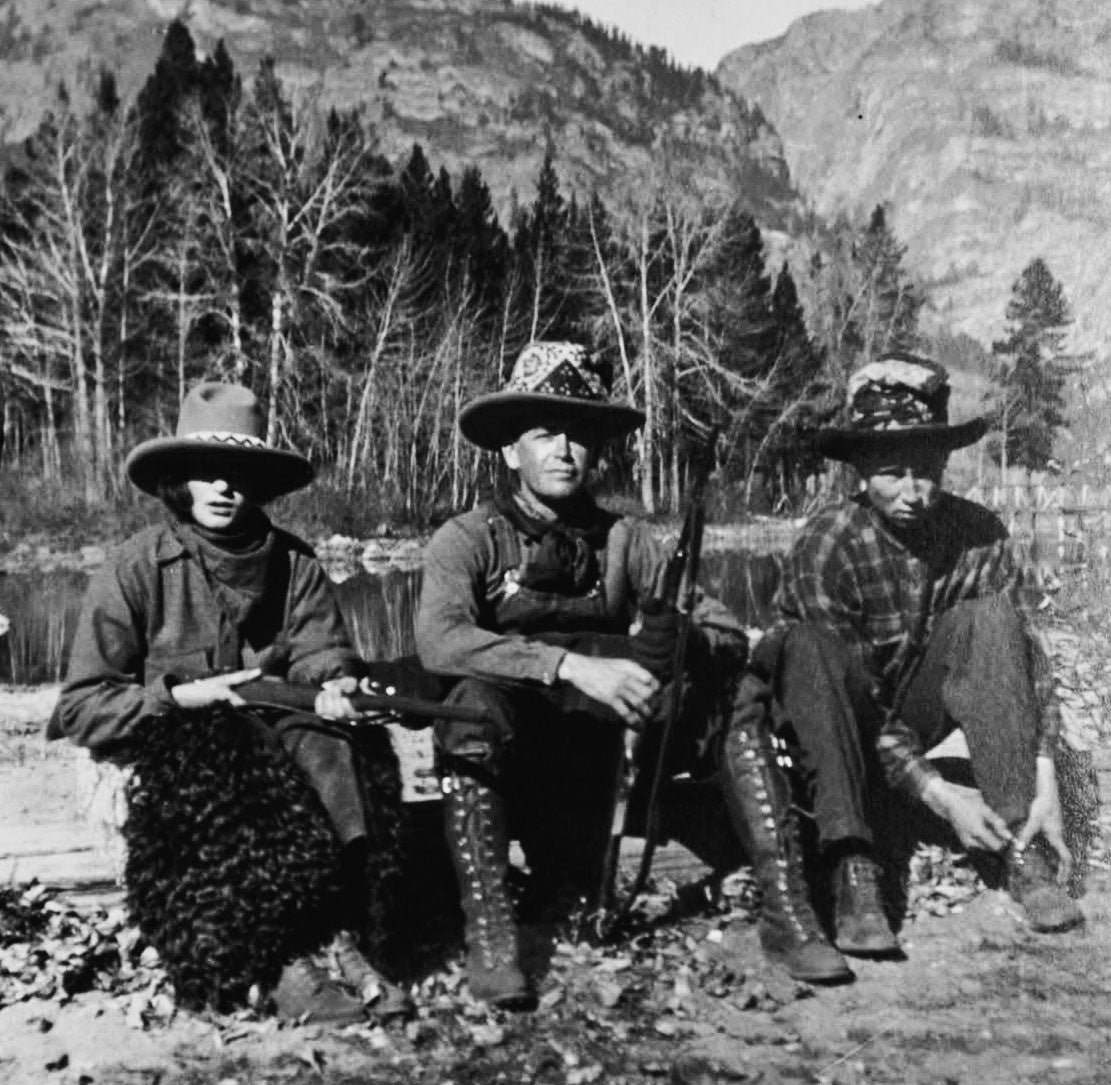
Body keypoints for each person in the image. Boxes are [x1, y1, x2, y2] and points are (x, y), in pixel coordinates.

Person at [416, 340, 854, 1009]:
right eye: (543, 433)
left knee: (736, 694)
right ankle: (492, 933)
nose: (563, 448)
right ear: (510, 451)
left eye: (579, 434)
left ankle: (787, 908)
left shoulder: (627, 539)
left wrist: (678, 641)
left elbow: (725, 628)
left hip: (621, 750)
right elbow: (440, 641)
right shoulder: (467, 538)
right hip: (523, 753)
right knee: (471, 707)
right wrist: (567, 665)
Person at [48, 382, 409, 1023]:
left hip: (283, 730)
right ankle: (279, 959)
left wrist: (336, 683)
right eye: (206, 473)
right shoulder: (133, 569)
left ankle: (343, 932)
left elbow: (321, 649)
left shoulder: (296, 564)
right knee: (225, 761)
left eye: (237, 474)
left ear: (258, 485)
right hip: (175, 741)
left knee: (342, 753)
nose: (223, 488)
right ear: (179, 482)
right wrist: (182, 695)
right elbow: (82, 706)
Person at [762, 352, 1084, 955]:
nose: (912, 491)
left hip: (912, 715)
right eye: (891, 471)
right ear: (859, 469)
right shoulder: (827, 545)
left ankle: (1020, 840)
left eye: (927, 469)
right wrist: (939, 794)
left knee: (992, 617)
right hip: (834, 727)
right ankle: (854, 875)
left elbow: (1026, 665)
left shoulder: (977, 531)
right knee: (818, 659)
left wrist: (1046, 779)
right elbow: (850, 703)